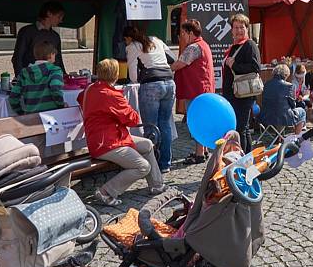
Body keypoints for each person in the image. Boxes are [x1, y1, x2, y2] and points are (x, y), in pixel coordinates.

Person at [79, 59, 165, 206]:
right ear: (116, 74)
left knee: (147, 144)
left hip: (103, 138)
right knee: (143, 166)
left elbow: (80, 98)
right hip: (108, 143)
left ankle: (157, 184)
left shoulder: (91, 89)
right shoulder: (110, 95)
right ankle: (106, 191)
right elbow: (132, 119)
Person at [124, 25, 175, 173]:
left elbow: (133, 75)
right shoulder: (156, 40)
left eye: (125, 40)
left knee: (151, 126)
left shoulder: (133, 46)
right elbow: (172, 57)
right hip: (169, 83)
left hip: (151, 84)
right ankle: (165, 163)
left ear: (129, 38)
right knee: (165, 123)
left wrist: (136, 80)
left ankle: (152, 165)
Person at [171, 20, 214, 165]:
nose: (182, 36)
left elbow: (178, 65)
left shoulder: (193, 48)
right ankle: (205, 150)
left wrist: (162, 67)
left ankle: (199, 154)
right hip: (204, 89)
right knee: (204, 120)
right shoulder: (204, 44)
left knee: (197, 122)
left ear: (190, 33)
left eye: (183, 33)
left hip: (196, 91)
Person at [222, 14, 261, 152]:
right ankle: (248, 157)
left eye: (242, 27)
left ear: (247, 29)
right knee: (243, 128)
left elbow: (256, 68)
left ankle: (241, 159)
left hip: (244, 95)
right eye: (236, 27)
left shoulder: (249, 45)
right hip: (234, 94)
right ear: (231, 30)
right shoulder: (234, 47)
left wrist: (235, 65)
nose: (239, 30)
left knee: (240, 128)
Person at [11, 1, 66, 77]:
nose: (61, 20)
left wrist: (64, 75)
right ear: (49, 13)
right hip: (30, 79)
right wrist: (21, 79)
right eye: (59, 16)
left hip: (50, 80)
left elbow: (58, 59)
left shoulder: (55, 36)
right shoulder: (27, 32)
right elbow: (18, 58)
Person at [9, 41, 65, 115]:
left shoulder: (24, 73)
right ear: (51, 55)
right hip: (51, 115)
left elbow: (13, 97)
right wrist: (61, 105)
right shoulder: (54, 70)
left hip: (30, 115)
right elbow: (55, 88)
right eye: (54, 54)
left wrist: (20, 112)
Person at [257, 64, 306, 136]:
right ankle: (296, 137)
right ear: (286, 75)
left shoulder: (266, 84)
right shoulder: (289, 86)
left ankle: (279, 137)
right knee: (302, 112)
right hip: (283, 116)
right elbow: (293, 105)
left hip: (266, 116)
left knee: (280, 110)